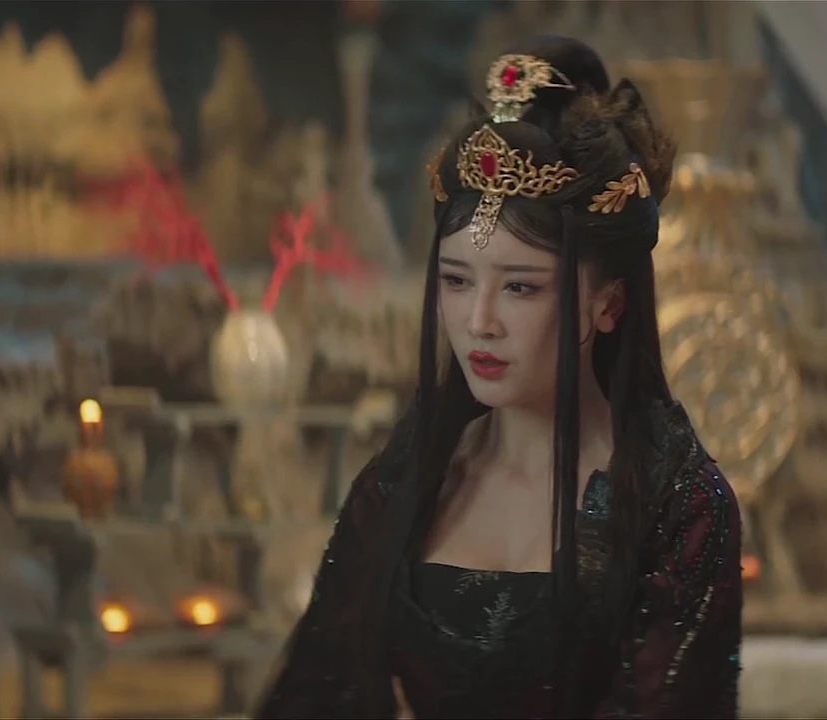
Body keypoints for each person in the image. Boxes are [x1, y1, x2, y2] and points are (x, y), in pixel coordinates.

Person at [256, 37, 743, 719]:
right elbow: (318, 692)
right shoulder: (409, 479)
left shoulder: (677, 506)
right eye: (456, 281)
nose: (479, 322)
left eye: (520, 287)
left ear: (609, 304)